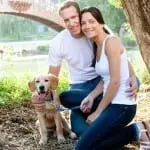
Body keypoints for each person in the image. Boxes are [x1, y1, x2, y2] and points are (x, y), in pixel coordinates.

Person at [32, 0, 139, 138]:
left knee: (134, 81)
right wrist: (37, 96)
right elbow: (51, 78)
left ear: (80, 15)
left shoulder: (94, 29)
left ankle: (103, 112)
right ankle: (105, 113)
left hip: (102, 82)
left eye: (74, 17)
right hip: (79, 89)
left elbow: (121, 57)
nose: (71, 23)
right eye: (66, 20)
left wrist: (133, 76)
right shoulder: (58, 42)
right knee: (69, 106)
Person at [74, 7, 150, 150]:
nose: (87, 26)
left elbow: (115, 81)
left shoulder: (111, 42)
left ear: (101, 23)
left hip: (122, 106)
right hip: (112, 105)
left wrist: (97, 112)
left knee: (81, 148)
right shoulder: (98, 46)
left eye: (91, 21)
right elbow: (106, 78)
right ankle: (133, 132)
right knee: (91, 144)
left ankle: (136, 130)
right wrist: (91, 96)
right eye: (83, 23)